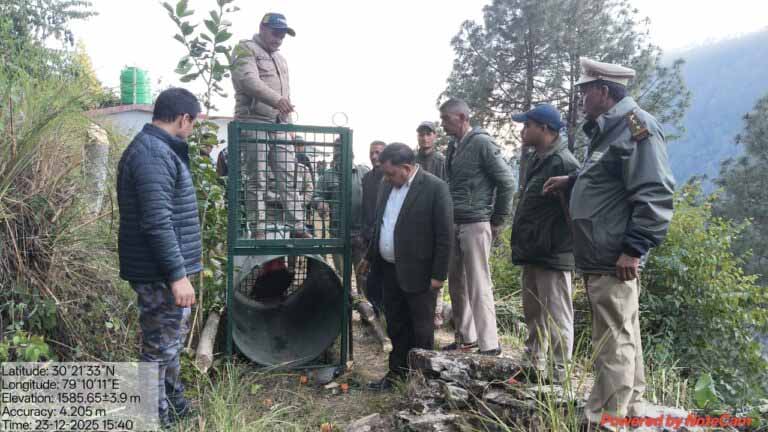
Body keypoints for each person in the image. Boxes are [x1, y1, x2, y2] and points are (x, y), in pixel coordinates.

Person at [543, 57, 675, 425]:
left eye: (585, 91)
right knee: (623, 333)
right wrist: (573, 181)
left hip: (615, 255)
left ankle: (605, 419)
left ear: (603, 91)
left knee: (612, 342)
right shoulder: (607, 129)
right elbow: (608, 174)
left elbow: (655, 191)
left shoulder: (635, 127)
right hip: (602, 252)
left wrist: (634, 248)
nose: (581, 99)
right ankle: (630, 411)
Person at [116, 88, 202, 426]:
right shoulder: (152, 154)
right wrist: (177, 275)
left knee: (169, 343)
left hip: (163, 269)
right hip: (160, 272)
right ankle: (153, 419)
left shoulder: (157, 149)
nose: (191, 129)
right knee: (158, 348)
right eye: (193, 123)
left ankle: (174, 407)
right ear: (183, 119)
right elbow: (156, 221)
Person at [360, 143, 453, 390]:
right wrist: (369, 257)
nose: (387, 178)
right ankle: (396, 374)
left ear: (407, 168)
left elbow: (444, 235)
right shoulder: (386, 186)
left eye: (391, 173)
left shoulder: (435, 188)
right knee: (396, 324)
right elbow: (381, 225)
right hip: (390, 269)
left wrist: (439, 275)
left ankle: (423, 381)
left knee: (421, 329)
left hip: (420, 273)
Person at [509, 104, 580, 381]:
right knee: (533, 313)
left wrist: (563, 246)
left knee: (557, 316)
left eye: (528, 125)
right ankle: (532, 366)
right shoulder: (538, 159)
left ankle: (559, 375)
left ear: (545, 129)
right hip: (534, 250)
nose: (523, 130)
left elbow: (576, 211)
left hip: (554, 253)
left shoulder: (564, 163)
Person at [439, 98, 516, 356]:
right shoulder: (453, 146)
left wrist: (497, 220)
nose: (442, 124)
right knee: (456, 283)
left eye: (446, 119)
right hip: (455, 222)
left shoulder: (482, 143)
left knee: (478, 283)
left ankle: (489, 344)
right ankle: (466, 338)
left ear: (462, 117)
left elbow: (507, 182)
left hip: (476, 222)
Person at [231, 12, 306, 238]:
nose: (279, 39)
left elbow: (287, 95)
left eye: (283, 35)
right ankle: (258, 228)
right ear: (262, 28)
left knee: (288, 177)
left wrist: (289, 126)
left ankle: (298, 226)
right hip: (253, 121)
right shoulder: (245, 49)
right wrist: (276, 100)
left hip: (279, 124)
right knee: (258, 178)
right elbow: (247, 81)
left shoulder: (281, 59)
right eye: (276, 33)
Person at [313, 144, 370, 290]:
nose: (340, 158)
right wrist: (320, 203)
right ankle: (347, 301)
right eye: (337, 155)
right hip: (337, 235)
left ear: (352, 155)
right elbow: (316, 196)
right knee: (342, 277)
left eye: (344, 155)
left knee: (363, 276)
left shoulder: (364, 172)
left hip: (360, 235)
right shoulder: (327, 176)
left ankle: (363, 301)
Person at [414, 121, 448, 327]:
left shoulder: (442, 161)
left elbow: (446, 188)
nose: (425, 138)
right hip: (415, 218)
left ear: (435, 136)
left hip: (435, 217)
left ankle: (437, 310)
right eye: (421, 134)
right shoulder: (412, 159)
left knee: (438, 263)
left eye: (428, 134)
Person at [360, 140, 387, 313]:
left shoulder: (391, 178)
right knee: (371, 280)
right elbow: (365, 207)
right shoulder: (367, 178)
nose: (374, 156)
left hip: (385, 236)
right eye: (372, 153)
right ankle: (375, 313)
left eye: (378, 152)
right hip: (369, 236)